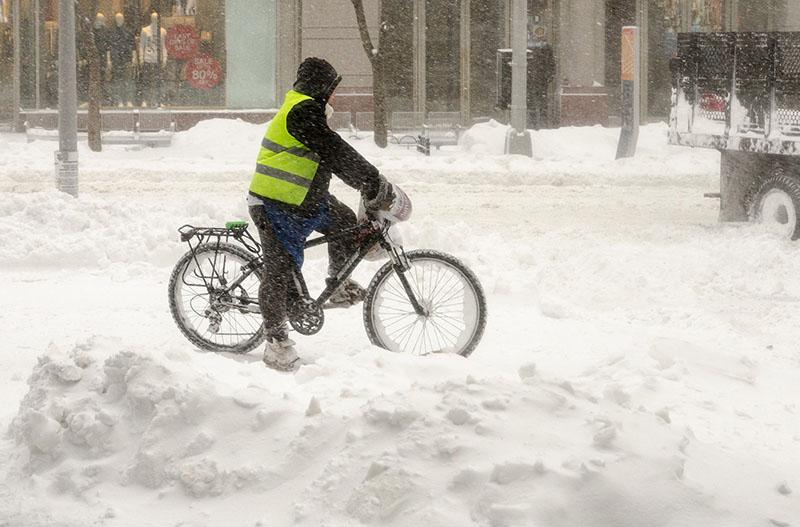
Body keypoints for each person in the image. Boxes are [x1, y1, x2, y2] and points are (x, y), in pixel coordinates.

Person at [247, 57, 394, 372]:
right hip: (275, 205)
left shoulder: (308, 111)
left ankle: (338, 284)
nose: (335, 95)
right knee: (280, 272)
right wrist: (371, 181)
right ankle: (275, 343)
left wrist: (368, 182)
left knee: (343, 221)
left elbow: (331, 157)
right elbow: (336, 152)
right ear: (323, 89)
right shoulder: (302, 113)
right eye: (333, 89)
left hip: (305, 201)